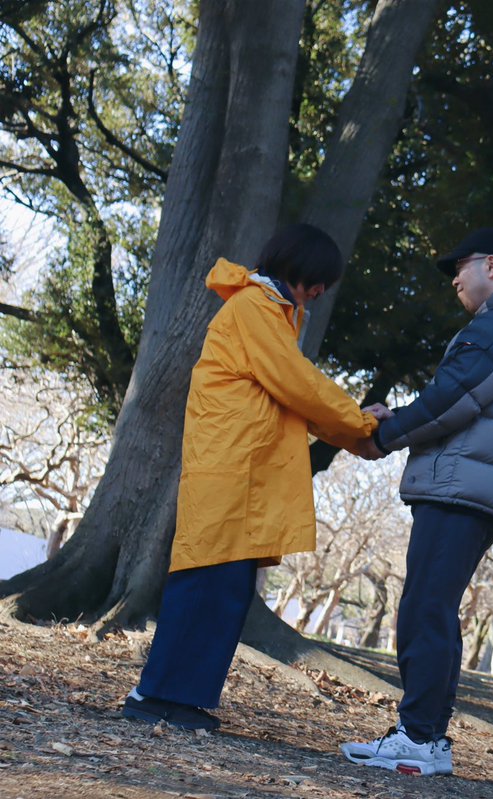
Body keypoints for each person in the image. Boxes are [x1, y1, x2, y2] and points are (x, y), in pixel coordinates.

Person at [122, 224, 383, 731]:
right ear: (297, 269)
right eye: (318, 280)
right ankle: (152, 694)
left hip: (241, 474)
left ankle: (182, 699)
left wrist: (356, 429)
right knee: (203, 585)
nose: (320, 291)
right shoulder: (254, 308)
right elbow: (298, 384)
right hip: (229, 474)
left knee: (224, 592)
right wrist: (361, 424)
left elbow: (290, 394)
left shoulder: (271, 313)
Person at [340, 227, 493, 777]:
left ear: (492, 265)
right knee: (434, 609)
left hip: (461, 488)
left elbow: (450, 400)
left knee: (424, 610)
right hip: (475, 488)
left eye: (460, 267)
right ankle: (429, 740)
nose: (454, 278)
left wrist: (383, 435)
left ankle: (416, 736)